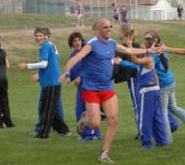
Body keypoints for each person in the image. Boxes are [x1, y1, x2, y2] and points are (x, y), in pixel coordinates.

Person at [59, 18, 158, 163]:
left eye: (110, 27)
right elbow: (76, 58)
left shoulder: (112, 43)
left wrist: (148, 50)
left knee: (113, 119)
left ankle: (104, 154)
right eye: (105, 27)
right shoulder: (91, 44)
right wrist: (67, 72)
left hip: (107, 87)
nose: (109, 29)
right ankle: (87, 118)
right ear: (98, 30)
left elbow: (129, 50)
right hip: (91, 88)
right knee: (95, 124)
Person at [114, 24, 179, 140]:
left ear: (124, 34)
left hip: (137, 79)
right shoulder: (138, 46)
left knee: (140, 106)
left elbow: (134, 64)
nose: (118, 35)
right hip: (146, 80)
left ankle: (143, 132)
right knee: (154, 105)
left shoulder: (129, 47)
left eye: (120, 33)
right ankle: (172, 123)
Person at [144, 31, 185, 144]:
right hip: (170, 82)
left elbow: (147, 65)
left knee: (163, 112)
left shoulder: (155, 53)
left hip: (164, 85)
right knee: (173, 107)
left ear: (155, 40)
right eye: (145, 38)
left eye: (148, 39)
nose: (146, 41)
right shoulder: (161, 49)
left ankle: (166, 139)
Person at [114, 38, 169, 149]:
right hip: (154, 91)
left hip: (147, 92)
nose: (141, 47)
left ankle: (147, 143)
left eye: (144, 45)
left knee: (145, 117)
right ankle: (162, 141)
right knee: (156, 117)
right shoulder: (147, 60)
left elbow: (134, 60)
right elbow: (134, 66)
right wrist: (121, 62)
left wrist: (129, 46)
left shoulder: (148, 58)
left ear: (149, 47)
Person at [17, 28, 70, 138]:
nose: (38, 38)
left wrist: (27, 66)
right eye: (36, 36)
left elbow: (44, 64)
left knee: (47, 109)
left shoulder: (46, 46)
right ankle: (63, 130)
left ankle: (43, 134)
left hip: (51, 82)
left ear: (46, 36)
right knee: (52, 109)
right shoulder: (48, 46)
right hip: (50, 82)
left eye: (40, 35)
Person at [67, 31, 101, 141]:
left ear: (82, 41)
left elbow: (90, 68)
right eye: (74, 41)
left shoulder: (87, 52)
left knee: (90, 110)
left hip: (89, 85)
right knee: (80, 111)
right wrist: (69, 77)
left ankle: (93, 134)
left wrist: (80, 77)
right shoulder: (72, 55)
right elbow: (72, 70)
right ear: (71, 43)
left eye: (78, 40)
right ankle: (84, 134)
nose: (77, 42)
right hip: (80, 88)